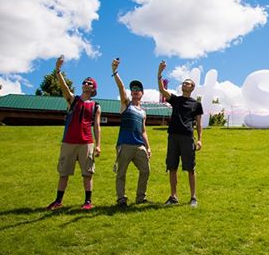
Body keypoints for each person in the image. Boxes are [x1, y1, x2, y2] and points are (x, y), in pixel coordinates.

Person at [47, 56, 101, 210]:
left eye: (89, 83)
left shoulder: (96, 106)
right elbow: (64, 87)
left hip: (87, 143)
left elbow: (97, 126)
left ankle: (88, 202)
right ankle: (58, 201)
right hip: (68, 142)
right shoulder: (73, 100)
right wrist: (58, 70)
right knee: (63, 173)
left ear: (93, 89)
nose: (86, 84)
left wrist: (98, 145)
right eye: (84, 82)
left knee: (87, 173)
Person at [158, 61, 203, 207]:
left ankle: (193, 198)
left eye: (188, 83)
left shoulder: (196, 104)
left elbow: (199, 123)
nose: (185, 84)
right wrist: (159, 73)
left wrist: (200, 139)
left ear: (192, 88)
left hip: (187, 137)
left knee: (190, 168)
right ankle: (173, 197)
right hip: (173, 136)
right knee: (172, 167)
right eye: (184, 82)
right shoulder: (175, 100)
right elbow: (162, 90)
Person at [111, 58, 152, 207]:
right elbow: (121, 88)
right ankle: (121, 199)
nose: (135, 91)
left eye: (138, 89)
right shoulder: (125, 104)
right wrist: (115, 72)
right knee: (121, 173)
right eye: (133, 89)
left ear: (142, 93)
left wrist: (148, 147)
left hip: (139, 145)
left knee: (146, 170)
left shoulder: (143, 112)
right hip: (125, 144)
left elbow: (143, 131)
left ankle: (141, 198)